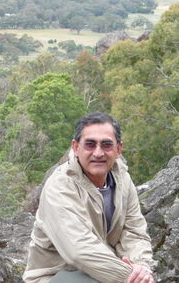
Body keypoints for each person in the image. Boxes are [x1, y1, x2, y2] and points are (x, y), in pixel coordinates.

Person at [23, 112, 154, 283]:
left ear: (118, 149)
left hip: (104, 272)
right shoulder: (60, 187)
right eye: (90, 144)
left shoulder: (123, 180)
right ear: (76, 148)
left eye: (106, 145)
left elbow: (134, 231)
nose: (98, 153)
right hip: (55, 276)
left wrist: (141, 266)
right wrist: (129, 277)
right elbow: (79, 251)